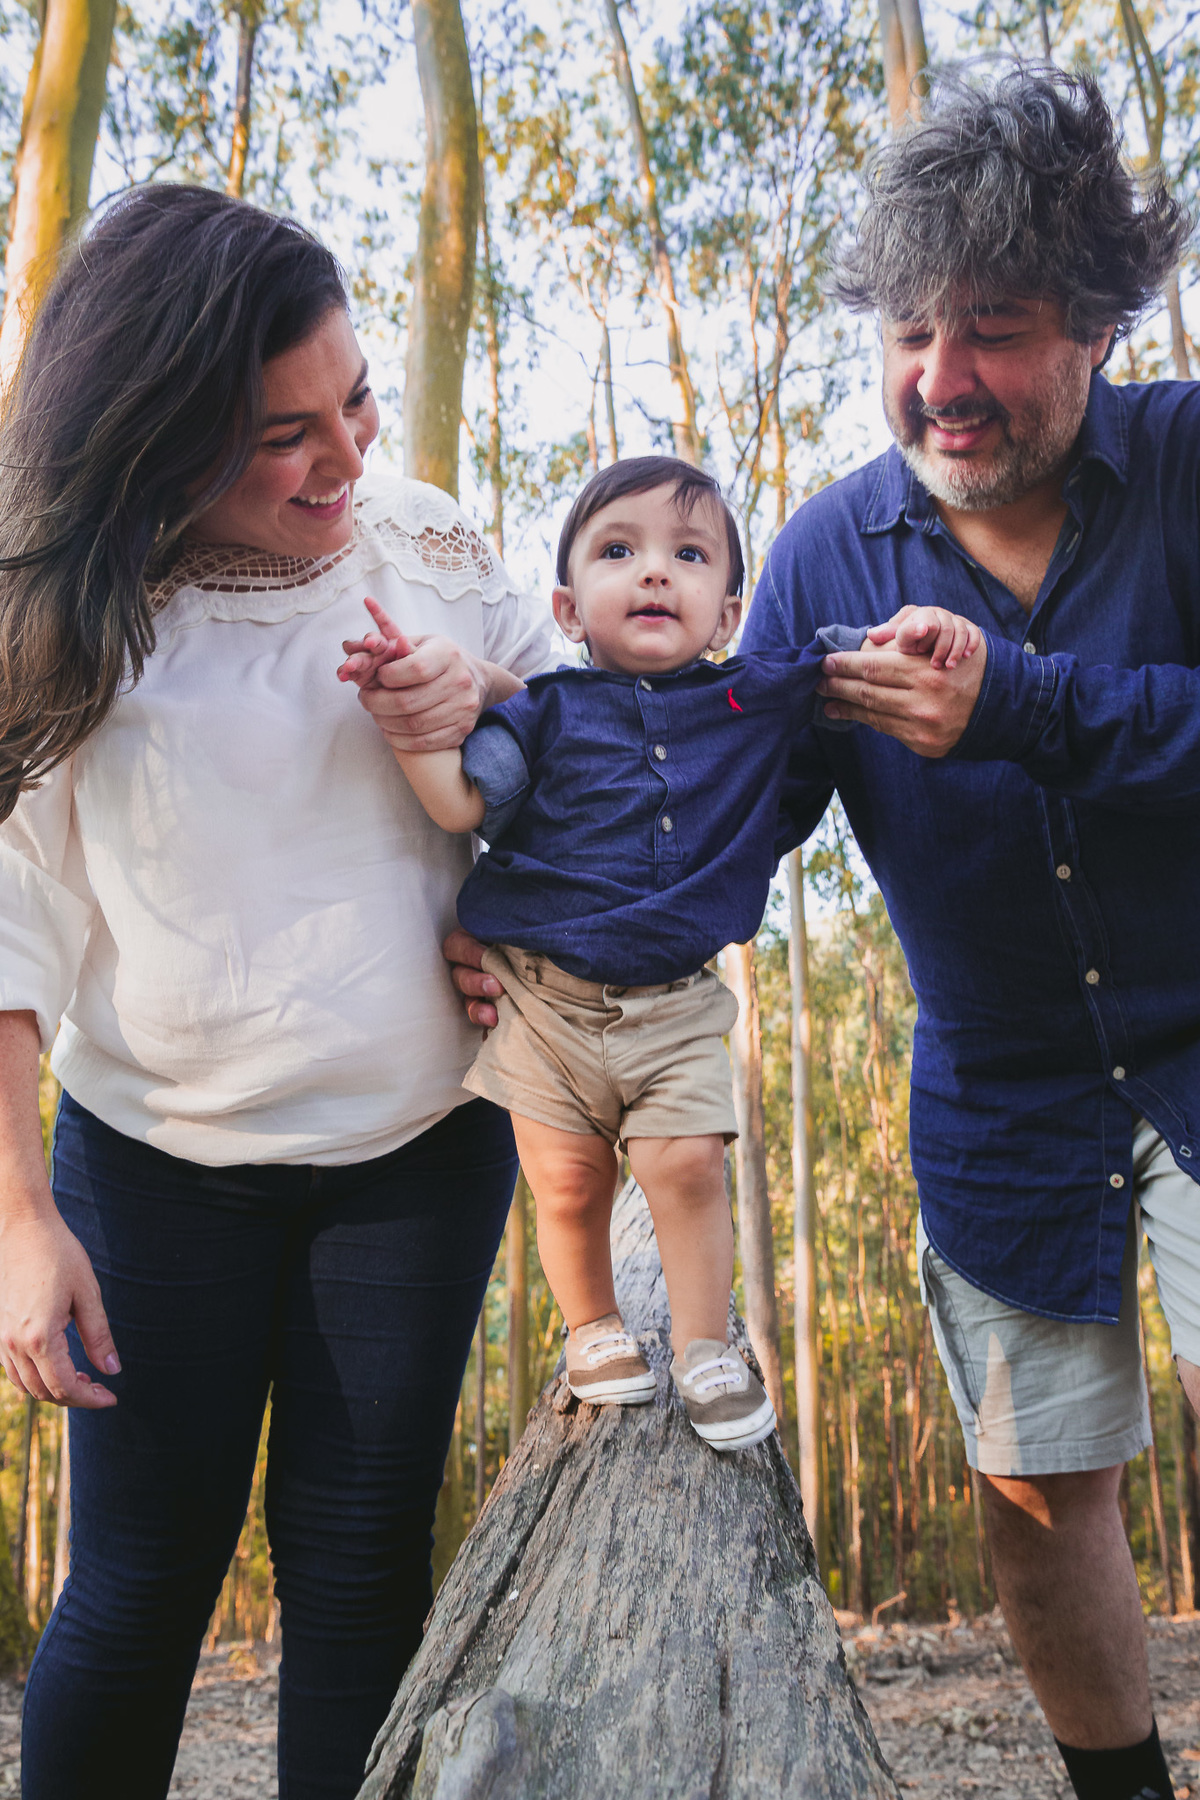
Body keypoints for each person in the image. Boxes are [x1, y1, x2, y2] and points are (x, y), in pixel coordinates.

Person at [448, 65, 1196, 1800]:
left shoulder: (1189, 463)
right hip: (1002, 1092)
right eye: (911, 330)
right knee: (1037, 1493)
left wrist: (1022, 705)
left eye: (994, 328)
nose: (941, 377)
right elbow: (717, 813)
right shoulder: (819, 559)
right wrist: (528, 930)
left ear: (1098, 325)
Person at [0, 184, 553, 1800]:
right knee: (136, 1586)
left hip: (421, 1158)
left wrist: (494, 706)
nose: (345, 458)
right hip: (153, 1174)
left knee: (365, 1575)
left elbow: (601, 747)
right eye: (282, 437)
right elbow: (11, 927)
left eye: (355, 402)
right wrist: (19, 1220)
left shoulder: (431, 543)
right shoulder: (68, 623)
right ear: (160, 444)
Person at [341, 456, 976, 1453]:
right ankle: (592, 1326)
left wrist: (920, 636)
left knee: (686, 1166)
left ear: (728, 613)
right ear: (567, 606)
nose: (653, 571)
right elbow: (461, 803)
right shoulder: (543, 712)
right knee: (566, 1182)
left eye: (687, 554)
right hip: (542, 1002)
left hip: (676, 1003)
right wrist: (405, 718)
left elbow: (845, 658)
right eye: (617, 551)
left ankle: (703, 1344)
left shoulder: (754, 697)